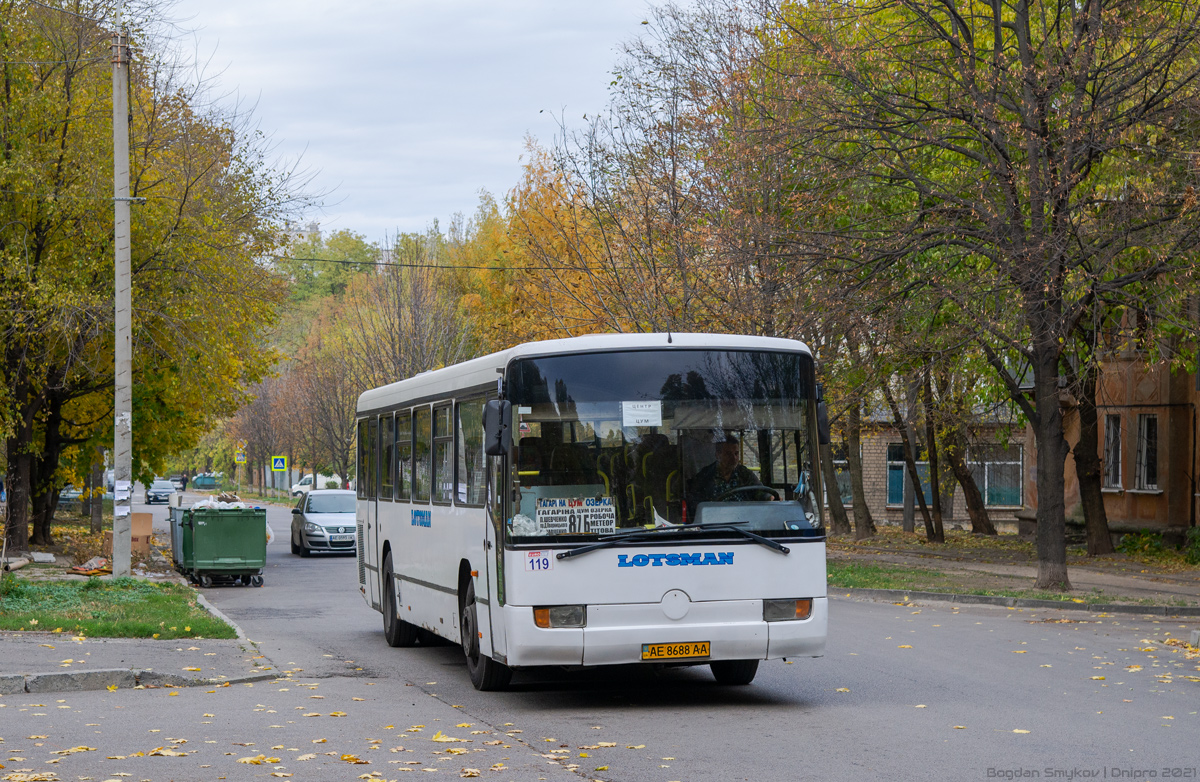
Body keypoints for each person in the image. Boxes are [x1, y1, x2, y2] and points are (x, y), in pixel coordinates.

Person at [687, 431, 773, 506]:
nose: (734, 458)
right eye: (728, 454)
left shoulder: (744, 473)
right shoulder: (705, 476)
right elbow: (695, 503)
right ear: (718, 455)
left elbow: (759, 490)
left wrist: (769, 498)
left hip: (744, 518)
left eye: (736, 453)